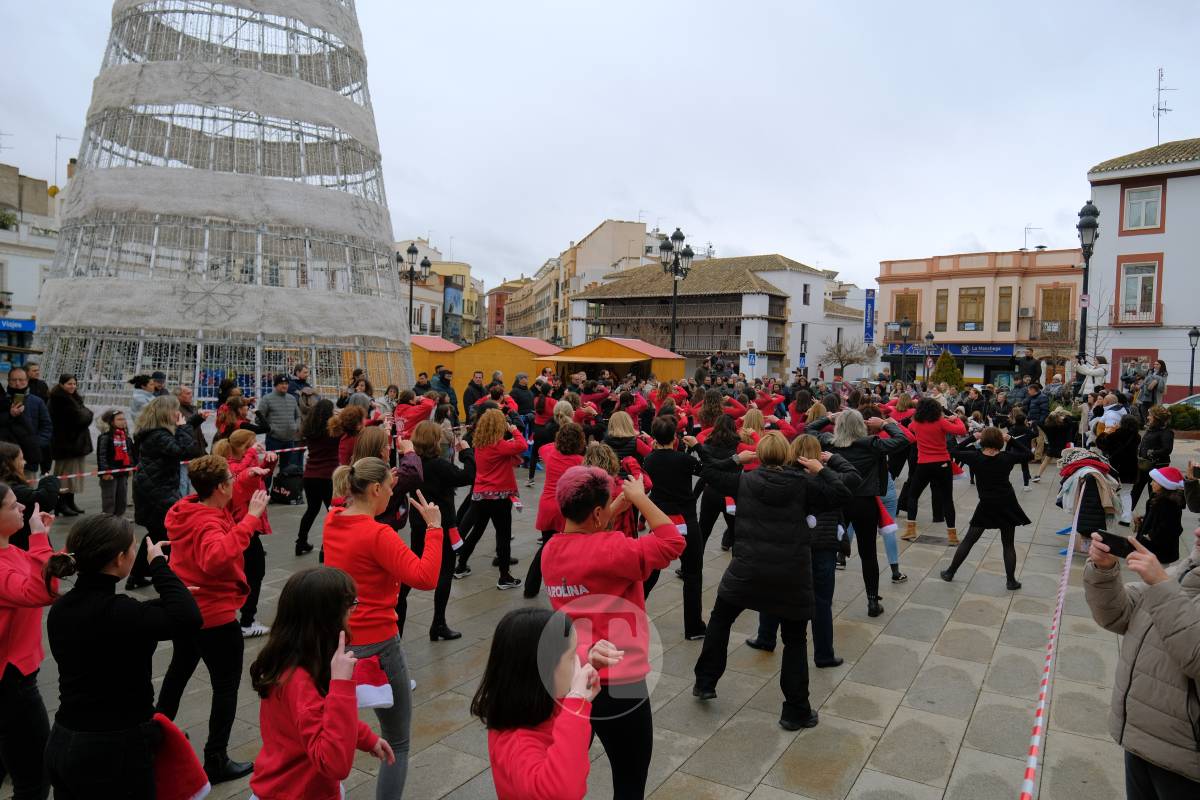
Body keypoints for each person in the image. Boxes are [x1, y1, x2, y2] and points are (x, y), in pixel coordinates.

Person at [541, 467, 684, 799]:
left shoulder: (550, 552)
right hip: (620, 683)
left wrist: (614, 505)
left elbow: (587, 533)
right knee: (629, 780)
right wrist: (639, 498)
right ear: (596, 513)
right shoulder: (613, 549)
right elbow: (673, 541)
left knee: (562, 772)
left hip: (572, 678)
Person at [693, 432, 852, 730]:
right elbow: (843, 495)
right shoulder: (805, 485)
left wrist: (734, 460)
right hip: (790, 574)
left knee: (720, 620)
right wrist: (823, 470)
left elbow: (709, 472)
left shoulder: (745, 481)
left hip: (747, 569)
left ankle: (705, 682)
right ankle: (795, 710)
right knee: (794, 639)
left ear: (760, 456)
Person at [44, 514, 203, 799]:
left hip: (65, 739)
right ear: (119, 559)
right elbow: (189, 618)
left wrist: (160, 602)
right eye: (133, 548)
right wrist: (159, 564)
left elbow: (105, 624)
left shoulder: (63, 608)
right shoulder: (122, 613)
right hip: (113, 749)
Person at [322, 458, 444, 799]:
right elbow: (425, 577)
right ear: (375, 489)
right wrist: (434, 528)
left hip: (340, 644)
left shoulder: (333, 521)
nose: (394, 495)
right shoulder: (378, 534)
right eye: (391, 489)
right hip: (379, 645)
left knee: (335, 729)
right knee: (398, 743)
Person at [155, 454, 269, 784]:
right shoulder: (207, 521)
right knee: (225, 687)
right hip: (213, 615)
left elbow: (231, 495)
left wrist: (249, 479)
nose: (234, 484)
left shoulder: (190, 508)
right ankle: (215, 759)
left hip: (187, 610)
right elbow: (215, 558)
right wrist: (250, 519)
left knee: (178, 674)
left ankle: (154, 737)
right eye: (230, 481)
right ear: (220, 487)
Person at [248, 567, 394, 800]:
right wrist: (341, 686)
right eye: (350, 606)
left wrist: (367, 738)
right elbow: (334, 764)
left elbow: (325, 718)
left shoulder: (290, 658)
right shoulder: (299, 681)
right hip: (297, 792)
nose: (353, 613)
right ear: (328, 620)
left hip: (284, 785)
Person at [1083, 526, 1200, 797]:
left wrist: (1161, 586)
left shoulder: (1167, 580)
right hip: (1140, 741)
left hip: (1185, 759)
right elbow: (1118, 615)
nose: (1196, 530)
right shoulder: (1183, 571)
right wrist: (1103, 571)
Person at [472, 608, 616, 800]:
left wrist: (589, 661)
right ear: (544, 671)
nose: (578, 662)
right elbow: (561, 792)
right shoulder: (517, 742)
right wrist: (577, 703)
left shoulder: (531, 705)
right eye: (573, 656)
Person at [745, 434, 860, 665]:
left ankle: (766, 637)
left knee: (774, 590)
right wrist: (832, 461)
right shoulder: (829, 479)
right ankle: (824, 654)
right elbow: (854, 479)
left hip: (792, 544)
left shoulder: (786, 478)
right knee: (821, 601)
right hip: (824, 545)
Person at [810, 409, 908, 616]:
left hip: (837, 501)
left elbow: (808, 429)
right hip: (865, 502)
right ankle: (872, 601)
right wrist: (884, 425)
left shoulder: (829, 443)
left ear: (838, 426)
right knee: (868, 553)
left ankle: (822, 599)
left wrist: (827, 418)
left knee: (827, 550)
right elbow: (903, 439)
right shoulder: (872, 444)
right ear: (860, 427)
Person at [0, 484, 55, 800]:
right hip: (11, 681)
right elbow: (42, 592)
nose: (22, 507)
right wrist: (38, 538)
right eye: (11, 505)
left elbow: (49, 578)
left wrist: (42, 539)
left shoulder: (12, 551)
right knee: (34, 778)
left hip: (16, 677)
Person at [399, 421, 474, 640]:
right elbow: (467, 476)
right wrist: (467, 452)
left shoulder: (412, 463)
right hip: (441, 523)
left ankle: (398, 599)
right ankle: (438, 623)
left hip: (418, 522)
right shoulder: (438, 465)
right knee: (445, 571)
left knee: (414, 563)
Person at [939, 427, 1032, 589]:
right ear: (999, 441)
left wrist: (971, 438)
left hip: (987, 503)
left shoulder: (975, 457)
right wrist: (1011, 439)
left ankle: (950, 572)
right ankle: (1011, 581)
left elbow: (952, 450)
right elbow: (1029, 455)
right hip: (1007, 502)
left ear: (983, 441)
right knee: (1008, 544)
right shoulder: (1007, 457)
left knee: (969, 540)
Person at [644, 417, 706, 637]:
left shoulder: (649, 460)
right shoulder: (684, 460)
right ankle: (694, 627)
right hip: (686, 519)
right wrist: (697, 447)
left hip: (660, 520)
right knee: (692, 574)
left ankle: (633, 609)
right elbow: (706, 470)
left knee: (651, 570)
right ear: (675, 437)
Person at [213, 430, 278, 637]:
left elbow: (259, 478)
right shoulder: (231, 467)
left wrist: (269, 463)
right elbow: (240, 476)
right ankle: (247, 621)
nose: (257, 448)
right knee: (254, 574)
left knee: (247, 574)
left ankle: (237, 618)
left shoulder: (246, 465)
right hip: (242, 529)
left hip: (246, 528)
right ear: (243, 447)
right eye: (252, 445)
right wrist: (253, 456)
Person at [454, 409, 526, 588]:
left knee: (477, 531)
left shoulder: (480, 444)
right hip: (499, 497)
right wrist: (514, 429)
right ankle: (504, 576)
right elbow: (523, 445)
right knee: (503, 535)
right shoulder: (498, 444)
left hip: (481, 496)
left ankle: (461, 565)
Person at [128, 396, 194, 590]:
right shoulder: (159, 435)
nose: (179, 414)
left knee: (156, 534)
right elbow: (184, 450)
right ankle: (167, 580)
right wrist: (184, 428)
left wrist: (194, 422)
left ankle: (137, 575)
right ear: (167, 413)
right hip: (158, 492)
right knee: (169, 535)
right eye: (176, 410)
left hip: (153, 490)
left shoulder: (154, 433)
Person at [524, 422, 586, 598]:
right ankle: (567, 587)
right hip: (566, 508)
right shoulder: (580, 461)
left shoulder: (549, 452)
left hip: (547, 506)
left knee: (546, 547)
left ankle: (531, 587)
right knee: (568, 550)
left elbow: (544, 446)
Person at [48, 374, 93, 517]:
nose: (72, 386)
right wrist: (85, 414)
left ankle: (70, 501)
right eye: (69, 384)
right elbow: (81, 418)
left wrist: (85, 414)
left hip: (75, 445)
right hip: (66, 445)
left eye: (74, 384)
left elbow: (86, 414)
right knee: (65, 475)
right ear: (61, 384)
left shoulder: (73, 397)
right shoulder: (59, 399)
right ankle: (61, 504)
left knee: (74, 475)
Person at [298, 399, 338, 556]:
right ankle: (325, 548)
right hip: (328, 475)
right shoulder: (333, 430)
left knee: (311, 510)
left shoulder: (309, 429)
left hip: (310, 475)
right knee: (332, 511)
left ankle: (301, 541)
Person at [0, 443, 58, 553]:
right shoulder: (10, 488)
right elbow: (44, 499)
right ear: (8, 464)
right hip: (25, 544)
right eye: (21, 459)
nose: (24, 462)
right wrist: (49, 480)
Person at [1133, 467, 1186, 566]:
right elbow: (1158, 517)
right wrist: (1145, 517)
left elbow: (1172, 528)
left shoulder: (1169, 504)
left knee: (1156, 577)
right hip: (1153, 549)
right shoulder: (1158, 497)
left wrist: (1150, 536)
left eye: (1154, 481)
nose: (1151, 483)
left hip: (1160, 551)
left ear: (1164, 485)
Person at [6, 368, 50, 481]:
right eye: (14, 380)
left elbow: (47, 427)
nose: (17, 383)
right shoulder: (2, 401)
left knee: (28, 494)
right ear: (8, 381)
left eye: (21, 380)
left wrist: (36, 443)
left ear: (27, 381)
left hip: (29, 459)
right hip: (5, 458)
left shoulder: (37, 402)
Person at [1097, 414, 1142, 526]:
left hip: (1116, 468)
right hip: (1131, 468)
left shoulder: (1116, 434)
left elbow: (1101, 445)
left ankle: (1108, 514)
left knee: (1110, 490)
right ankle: (1126, 518)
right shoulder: (1137, 436)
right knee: (1126, 493)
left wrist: (1107, 432)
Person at [1132, 405, 1174, 512]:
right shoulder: (1151, 429)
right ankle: (1126, 515)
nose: (1148, 417)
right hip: (1144, 465)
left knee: (1154, 494)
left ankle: (1151, 517)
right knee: (1136, 490)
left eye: (1150, 415)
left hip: (1156, 468)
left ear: (1156, 418)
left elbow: (1167, 449)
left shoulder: (1166, 432)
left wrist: (1151, 453)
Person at [258, 374, 303, 475]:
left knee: (286, 469)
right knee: (269, 468)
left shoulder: (292, 399)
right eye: (281, 383)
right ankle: (266, 488)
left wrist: (296, 427)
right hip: (273, 440)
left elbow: (298, 416)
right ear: (275, 385)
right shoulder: (267, 399)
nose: (285, 386)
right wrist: (270, 429)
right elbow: (259, 418)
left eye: (286, 383)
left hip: (289, 440)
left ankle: (283, 489)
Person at [95, 409, 134, 518]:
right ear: (111, 422)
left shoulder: (126, 437)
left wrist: (130, 467)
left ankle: (119, 517)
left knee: (122, 497)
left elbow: (129, 453)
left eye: (124, 419)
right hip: (110, 473)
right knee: (109, 498)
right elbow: (101, 456)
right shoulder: (105, 437)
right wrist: (105, 472)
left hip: (122, 471)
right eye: (119, 419)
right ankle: (108, 519)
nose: (123, 421)